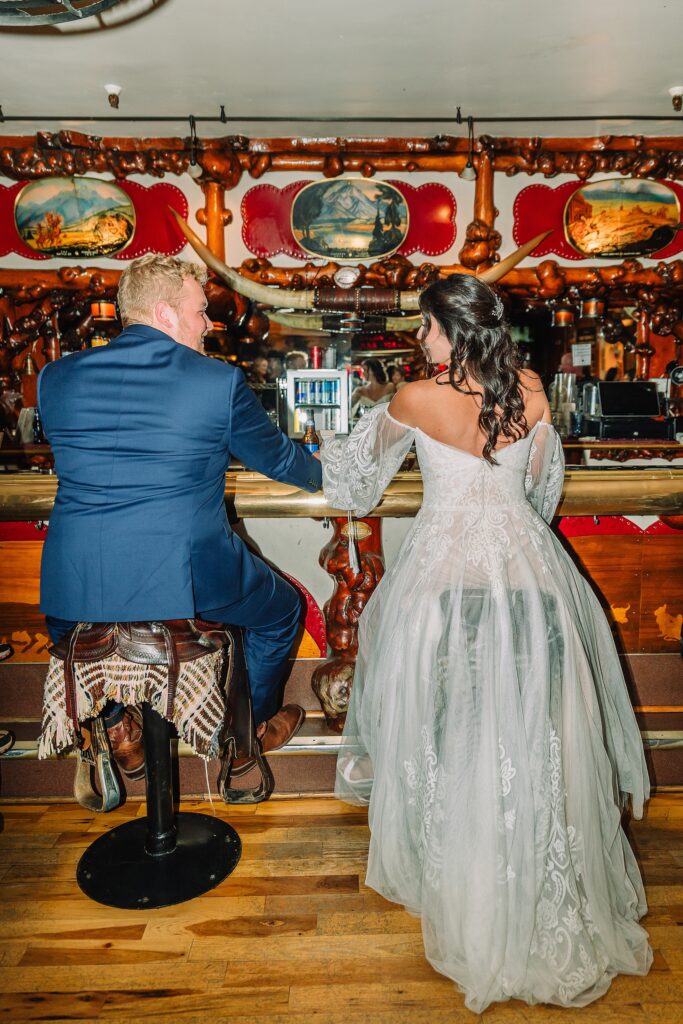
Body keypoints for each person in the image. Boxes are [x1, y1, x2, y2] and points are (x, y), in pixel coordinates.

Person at [320, 274, 651, 1012]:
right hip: (533, 585)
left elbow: (350, 488)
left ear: (452, 331)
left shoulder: (414, 398)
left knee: (453, 738)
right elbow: (541, 495)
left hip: (443, 592)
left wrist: (341, 430)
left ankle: (470, 883)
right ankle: (533, 885)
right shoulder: (530, 392)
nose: (420, 339)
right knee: (528, 738)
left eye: (427, 328)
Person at [38, 254, 322, 787]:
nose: (208, 323)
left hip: (69, 592)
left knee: (80, 630)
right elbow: (284, 462)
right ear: (166, 313)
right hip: (186, 585)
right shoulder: (217, 382)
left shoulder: (56, 377)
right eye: (199, 311)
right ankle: (243, 739)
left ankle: (121, 728)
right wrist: (333, 472)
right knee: (282, 611)